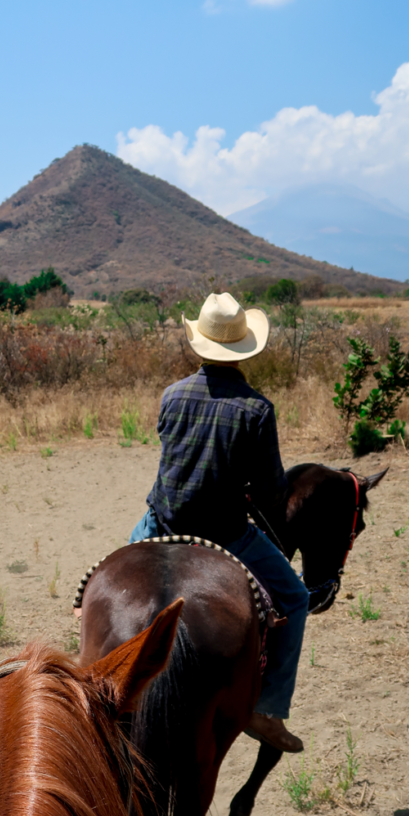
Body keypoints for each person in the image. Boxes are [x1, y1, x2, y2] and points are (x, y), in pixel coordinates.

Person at [130, 292, 308, 753]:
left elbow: (177, 455)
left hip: (161, 522)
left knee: (107, 580)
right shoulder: (257, 409)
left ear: (200, 343)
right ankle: (266, 710)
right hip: (224, 533)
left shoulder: (172, 395)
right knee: (295, 597)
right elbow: (270, 492)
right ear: (244, 346)